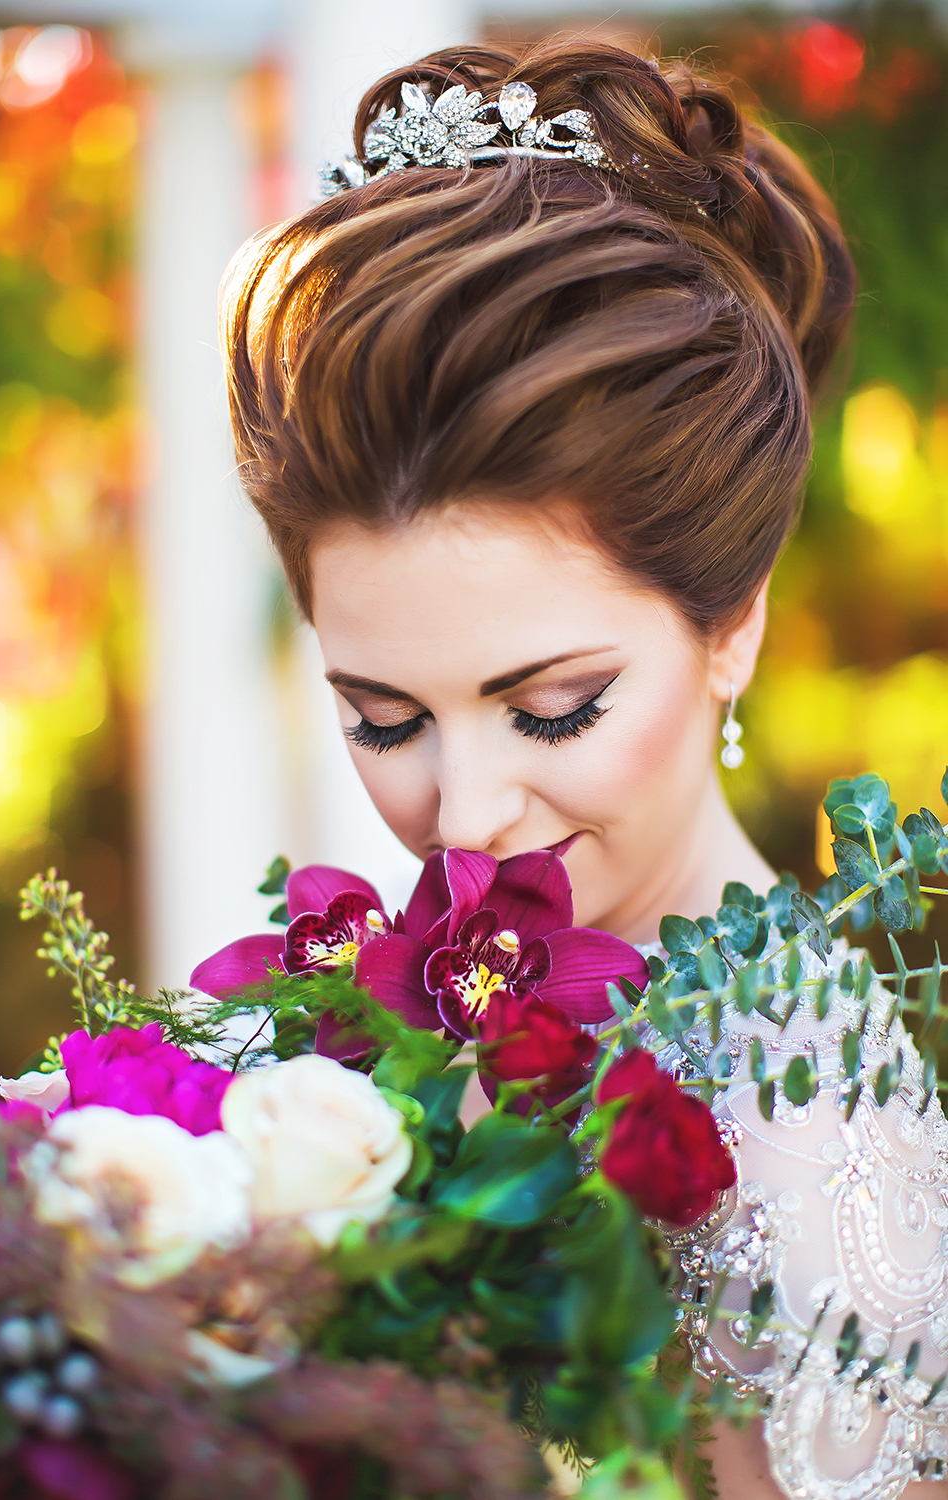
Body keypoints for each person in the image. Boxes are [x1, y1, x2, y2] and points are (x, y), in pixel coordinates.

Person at [218, 41, 948, 1500]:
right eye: (383, 717)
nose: (466, 819)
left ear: (731, 624)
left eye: (551, 709)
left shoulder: (800, 1175)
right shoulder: (396, 1017)